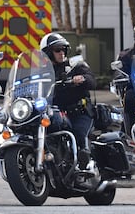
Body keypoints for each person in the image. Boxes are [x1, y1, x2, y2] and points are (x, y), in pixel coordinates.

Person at [40, 32, 96, 172]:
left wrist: (82, 78)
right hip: (55, 113)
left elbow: (91, 80)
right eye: (57, 50)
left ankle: (86, 168)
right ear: (47, 52)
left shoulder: (74, 65)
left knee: (78, 135)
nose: (61, 53)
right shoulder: (42, 71)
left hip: (79, 112)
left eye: (63, 49)